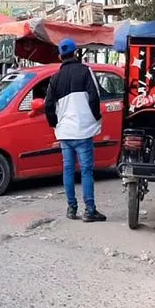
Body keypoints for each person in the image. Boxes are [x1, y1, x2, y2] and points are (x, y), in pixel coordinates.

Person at [44, 38, 106, 223]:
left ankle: (71, 209)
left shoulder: (55, 78)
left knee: (68, 170)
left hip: (65, 132)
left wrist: (55, 123)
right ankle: (90, 210)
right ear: (76, 52)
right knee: (86, 171)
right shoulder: (86, 71)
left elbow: (48, 105)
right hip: (83, 130)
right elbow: (95, 97)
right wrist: (95, 117)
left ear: (60, 56)